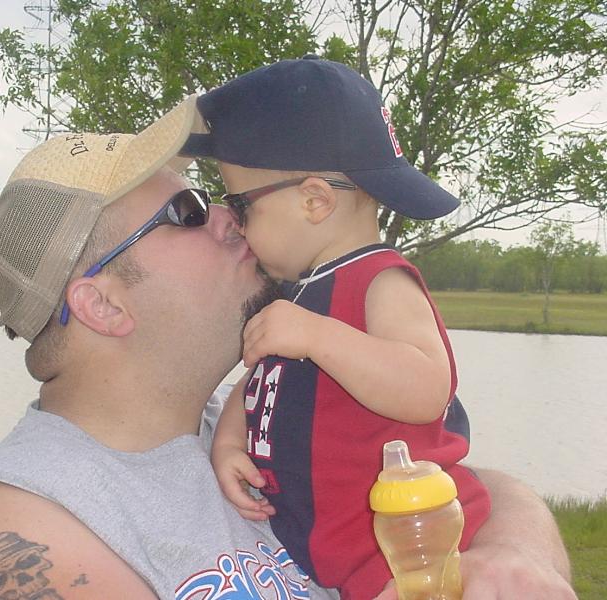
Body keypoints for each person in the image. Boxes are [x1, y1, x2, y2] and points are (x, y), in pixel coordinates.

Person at [0, 98, 575, 600]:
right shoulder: (11, 525)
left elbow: (488, 484)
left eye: (216, 198)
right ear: (102, 303)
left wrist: (513, 554)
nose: (227, 216)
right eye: (185, 213)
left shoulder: (252, 423)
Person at [180, 56, 490, 598]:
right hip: (332, 549)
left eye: (240, 204)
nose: (236, 224)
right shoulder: (296, 296)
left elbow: (426, 388)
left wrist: (318, 337)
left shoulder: (380, 280)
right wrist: (228, 443)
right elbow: (259, 378)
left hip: (401, 542)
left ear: (315, 201)